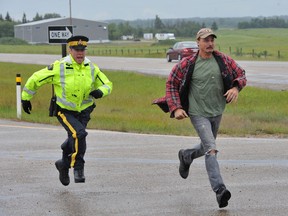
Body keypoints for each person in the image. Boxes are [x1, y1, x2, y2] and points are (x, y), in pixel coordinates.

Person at [153, 28, 246, 208]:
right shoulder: (188, 64)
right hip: (197, 112)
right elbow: (171, 83)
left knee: (205, 145)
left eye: (212, 39)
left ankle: (186, 155)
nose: (210, 43)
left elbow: (241, 74)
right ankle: (220, 190)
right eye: (206, 40)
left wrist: (235, 88)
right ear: (198, 42)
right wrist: (176, 108)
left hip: (217, 110)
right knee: (211, 149)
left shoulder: (223, 60)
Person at [21, 35, 113, 186]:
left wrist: (101, 91)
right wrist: (25, 98)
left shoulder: (91, 67)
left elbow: (108, 83)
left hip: (84, 111)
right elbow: (36, 78)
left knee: (75, 138)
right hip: (64, 111)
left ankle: (63, 164)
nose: (80, 53)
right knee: (79, 134)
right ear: (70, 50)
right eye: (76, 49)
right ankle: (78, 168)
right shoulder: (60, 66)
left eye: (82, 49)